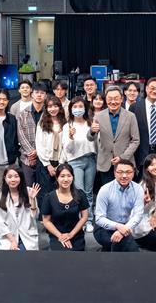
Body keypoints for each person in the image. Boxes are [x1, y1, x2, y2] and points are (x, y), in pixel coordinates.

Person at [88, 85, 140, 193]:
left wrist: (122, 157)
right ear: (106, 100)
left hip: (125, 162)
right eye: (110, 99)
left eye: (116, 98)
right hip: (105, 163)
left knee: (126, 193)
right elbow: (90, 138)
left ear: (121, 99)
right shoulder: (99, 116)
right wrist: (92, 131)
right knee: (108, 193)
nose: (113, 101)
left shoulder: (130, 116)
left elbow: (135, 140)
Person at [93, 159, 145, 252]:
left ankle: (106, 252)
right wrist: (117, 226)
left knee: (125, 245)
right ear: (114, 173)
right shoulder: (105, 189)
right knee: (122, 244)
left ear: (133, 173)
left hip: (125, 226)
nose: (124, 176)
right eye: (120, 172)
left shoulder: (138, 189)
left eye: (128, 172)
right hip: (104, 227)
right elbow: (99, 218)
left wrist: (123, 230)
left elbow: (138, 215)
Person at [62, 97, 96, 228]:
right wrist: (70, 137)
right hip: (75, 162)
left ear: (85, 108)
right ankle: (80, 220)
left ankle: (89, 220)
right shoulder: (67, 126)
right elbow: (68, 150)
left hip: (90, 160)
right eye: (75, 107)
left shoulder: (90, 123)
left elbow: (96, 143)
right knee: (79, 191)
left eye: (80, 106)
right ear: (70, 109)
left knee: (89, 192)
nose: (78, 109)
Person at [41, 164, 89, 251]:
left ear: (73, 177)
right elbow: (46, 221)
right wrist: (60, 236)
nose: (66, 179)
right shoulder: (49, 197)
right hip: (57, 234)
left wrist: (71, 234)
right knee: (62, 255)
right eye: (62, 176)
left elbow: (84, 217)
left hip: (76, 234)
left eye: (69, 176)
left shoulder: (80, 194)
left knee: (76, 254)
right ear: (57, 178)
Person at [0, 167, 41, 250]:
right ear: (5, 178)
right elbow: (0, 223)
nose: (13, 180)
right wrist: (13, 241)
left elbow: (35, 216)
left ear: (21, 178)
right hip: (9, 236)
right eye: (10, 177)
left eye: (16, 176)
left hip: (27, 235)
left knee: (23, 254)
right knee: (11, 255)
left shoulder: (29, 191)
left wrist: (32, 199)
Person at [132, 154, 156, 251]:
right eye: (152, 165)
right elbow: (136, 211)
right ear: (146, 168)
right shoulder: (142, 185)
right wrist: (144, 203)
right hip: (144, 223)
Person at [35, 95, 67, 201]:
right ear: (46, 108)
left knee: (59, 192)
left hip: (60, 162)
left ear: (60, 107)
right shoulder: (42, 124)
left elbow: (65, 145)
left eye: (55, 106)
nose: (53, 109)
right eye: (49, 107)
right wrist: (48, 165)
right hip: (45, 163)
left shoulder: (65, 123)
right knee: (45, 193)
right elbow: (39, 145)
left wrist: (60, 163)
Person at [16, 81, 47, 186]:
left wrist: (38, 152)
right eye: (36, 92)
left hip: (44, 158)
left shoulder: (48, 113)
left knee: (43, 188)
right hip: (27, 158)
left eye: (42, 93)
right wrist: (31, 153)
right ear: (32, 94)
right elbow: (21, 136)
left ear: (45, 96)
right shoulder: (23, 114)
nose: (39, 95)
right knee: (28, 188)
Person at [0, 89, 20, 185]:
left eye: (5, 99)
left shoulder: (12, 118)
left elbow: (16, 139)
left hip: (11, 162)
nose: (2, 102)